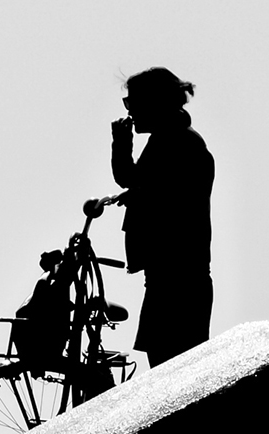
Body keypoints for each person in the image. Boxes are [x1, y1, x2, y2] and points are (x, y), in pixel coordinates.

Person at [110, 67, 215, 368]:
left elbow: (133, 179)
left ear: (154, 103)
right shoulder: (170, 139)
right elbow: (151, 187)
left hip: (177, 280)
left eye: (134, 104)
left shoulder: (176, 142)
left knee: (172, 372)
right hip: (170, 276)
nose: (131, 112)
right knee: (168, 368)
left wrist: (121, 142)